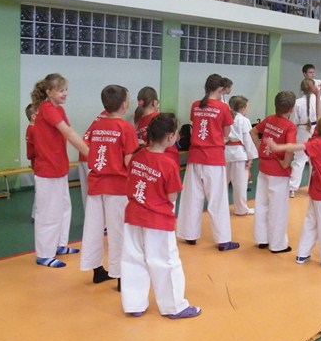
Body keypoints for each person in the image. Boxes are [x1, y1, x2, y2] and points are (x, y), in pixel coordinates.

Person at [121, 113, 201, 319]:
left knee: (133, 259)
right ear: (170, 136)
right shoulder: (168, 163)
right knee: (166, 261)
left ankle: (134, 304)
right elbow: (172, 195)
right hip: (157, 219)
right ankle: (174, 306)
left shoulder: (138, 155)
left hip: (133, 215)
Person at [266, 109, 321, 268]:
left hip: (317, 191)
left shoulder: (319, 138)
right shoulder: (318, 144)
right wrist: (277, 147)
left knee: (311, 223)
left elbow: (320, 118)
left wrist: (317, 96)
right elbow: (297, 146)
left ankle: (303, 253)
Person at [80, 85, 138, 288]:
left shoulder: (97, 125)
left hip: (96, 183)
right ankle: (121, 277)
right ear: (124, 104)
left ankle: (96, 270)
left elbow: (87, 146)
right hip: (117, 186)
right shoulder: (125, 128)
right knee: (118, 231)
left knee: (93, 228)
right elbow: (128, 160)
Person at [30, 73, 89, 268]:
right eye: (61, 90)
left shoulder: (59, 109)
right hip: (47, 170)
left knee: (64, 207)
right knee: (48, 212)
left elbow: (70, 132)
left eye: (66, 89)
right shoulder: (47, 108)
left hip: (59, 167)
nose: (65, 93)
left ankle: (59, 244)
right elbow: (69, 133)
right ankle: (44, 254)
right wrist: (90, 154)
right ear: (49, 92)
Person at [176, 74, 238, 251]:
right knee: (217, 199)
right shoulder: (222, 107)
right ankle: (223, 240)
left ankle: (189, 234)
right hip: (213, 158)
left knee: (192, 197)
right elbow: (226, 133)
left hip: (195, 157)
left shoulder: (196, 105)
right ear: (221, 89)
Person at [250, 91, 298, 253]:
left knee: (262, 203)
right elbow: (290, 148)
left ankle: (262, 238)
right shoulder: (290, 126)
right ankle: (278, 244)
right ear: (291, 109)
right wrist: (285, 163)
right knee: (278, 209)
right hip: (278, 171)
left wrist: (260, 149)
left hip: (264, 167)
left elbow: (253, 132)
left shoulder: (270, 119)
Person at [226, 95, 258, 216]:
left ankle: (220, 208)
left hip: (225, 153)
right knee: (240, 184)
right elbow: (248, 140)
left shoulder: (225, 118)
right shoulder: (244, 121)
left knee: (222, 184)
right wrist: (251, 157)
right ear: (243, 108)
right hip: (239, 154)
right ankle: (241, 209)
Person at [134, 86, 180, 166]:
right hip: (168, 157)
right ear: (154, 102)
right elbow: (177, 137)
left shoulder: (138, 121)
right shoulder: (160, 117)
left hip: (151, 160)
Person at [289, 78, 318, 198]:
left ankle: (292, 188)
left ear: (301, 89)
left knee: (299, 160)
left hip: (302, 130)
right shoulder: (318, 100)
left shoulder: (297, 102)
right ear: (313, 88)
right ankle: (314, 188)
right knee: (314, 161)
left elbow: (293, 121)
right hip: (315, 130)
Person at [25, 103, 37, 220]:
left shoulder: (30, 129)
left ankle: (36, 214)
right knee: (40, 191)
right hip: (38, 163)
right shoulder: (33, 130)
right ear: (33, 116)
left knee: (40, 191)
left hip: (36, 162)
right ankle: (36, 214)